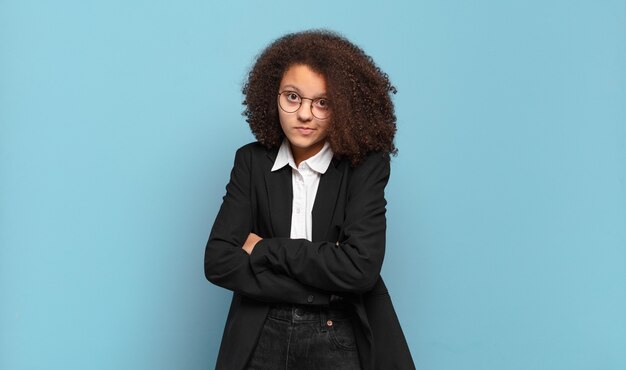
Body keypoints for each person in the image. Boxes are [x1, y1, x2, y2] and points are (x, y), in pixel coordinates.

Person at [204, 29, 415, 370]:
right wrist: (320, 286)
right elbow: (218, 261)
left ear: (344, 108)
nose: (304, 114)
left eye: (322, 102)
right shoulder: (250, 162)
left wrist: (263, 249)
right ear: (272, 97)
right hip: (262, 331)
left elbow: (360, 269)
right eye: (292, 97)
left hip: (339, 333)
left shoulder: (366, 167)